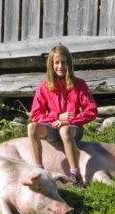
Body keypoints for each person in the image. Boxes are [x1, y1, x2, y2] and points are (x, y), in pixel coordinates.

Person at [28, 45, 97, 186]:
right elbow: (35, 114)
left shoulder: (79, 84)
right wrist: (58, 117)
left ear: (69, 64)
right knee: (32, 127)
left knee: (64, 130)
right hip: (52, 127)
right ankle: (39, 172)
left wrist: (69, 120)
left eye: (63, 62)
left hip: (72, 128)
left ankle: (75, 176)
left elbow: (91, 111)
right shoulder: (44, 87)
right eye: (57, 63)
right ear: (51, 65)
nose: (60, 66)